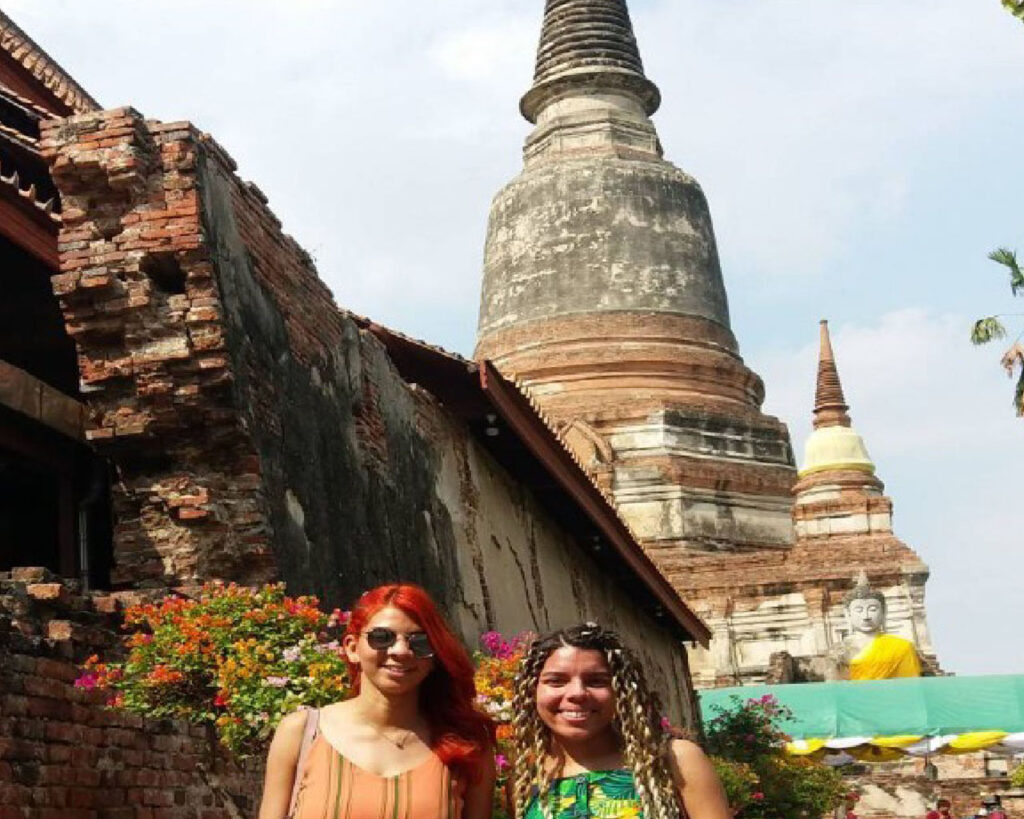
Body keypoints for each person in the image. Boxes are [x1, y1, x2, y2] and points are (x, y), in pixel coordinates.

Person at [258, 583, 496, 819]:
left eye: (419, 641)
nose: (400, 651)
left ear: (434, 657)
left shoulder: (466, 745)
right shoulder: (302, 734)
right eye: (382, 637)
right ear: (352, 648)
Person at [510, 622, 732, 819]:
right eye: (556, 681)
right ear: (531, 691)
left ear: (622, 691)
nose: (577, 693)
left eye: (596, 681)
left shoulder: (672, 760)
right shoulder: (526, 779)